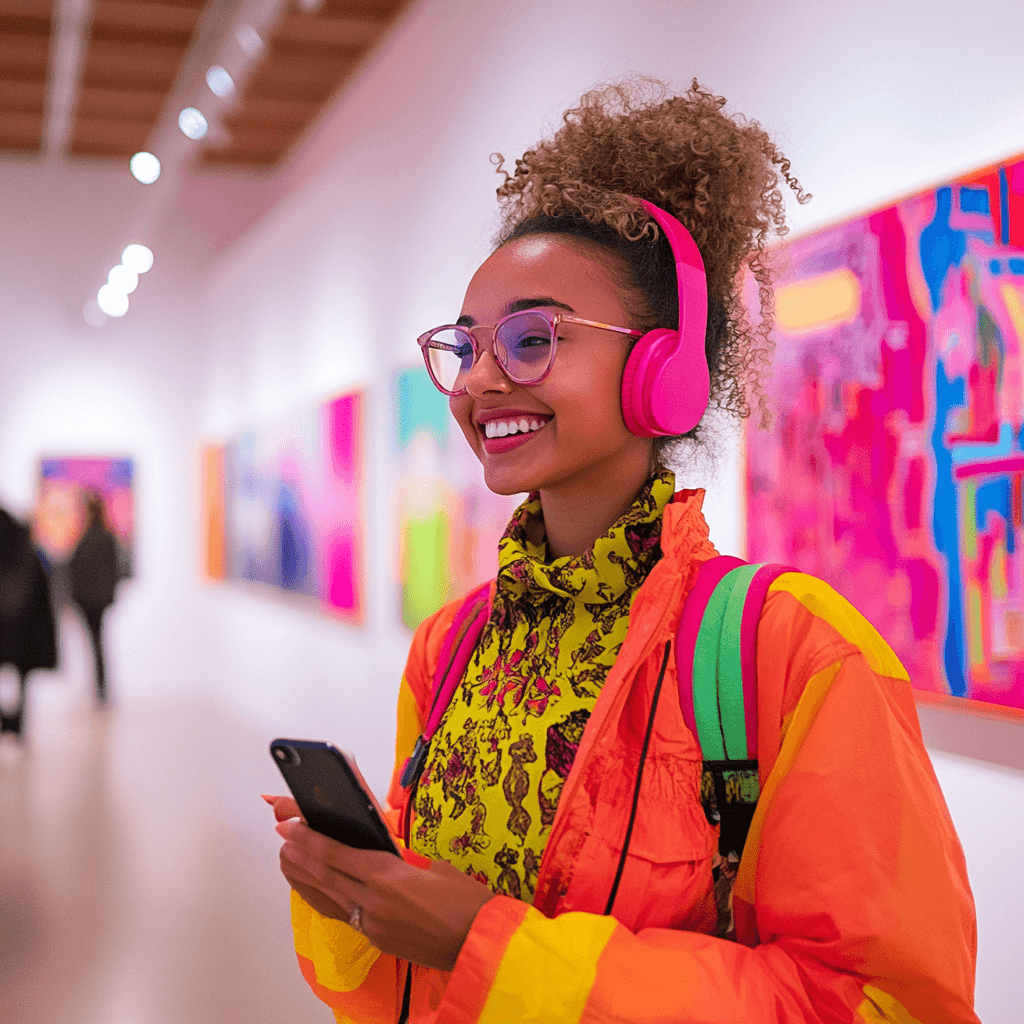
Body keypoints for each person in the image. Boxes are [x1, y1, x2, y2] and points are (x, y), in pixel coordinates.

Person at [267, 80, 979, 1023]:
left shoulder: (791, 653)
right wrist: (366, 892)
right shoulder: (450, 650)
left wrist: (483, 943)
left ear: (664, 371)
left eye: (532, 340)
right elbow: (397, 994)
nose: (480, 380)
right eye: (467, 345)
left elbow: (886, 1002)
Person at [0, 506, 57, 739]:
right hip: (22, 630)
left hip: (13, 626)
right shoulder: (28, 550)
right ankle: (15, 722)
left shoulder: (20, 552)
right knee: (20, 676)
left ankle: (9, 720)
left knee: (17, 675)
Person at [68, 493, 121, 705]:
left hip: (90, 601)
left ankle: (100, 687)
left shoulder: (90, 538)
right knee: (97, 643)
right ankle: (100, 687)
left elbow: (78, 571)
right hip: (96, 600)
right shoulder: (106, 537)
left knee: (96, 643)